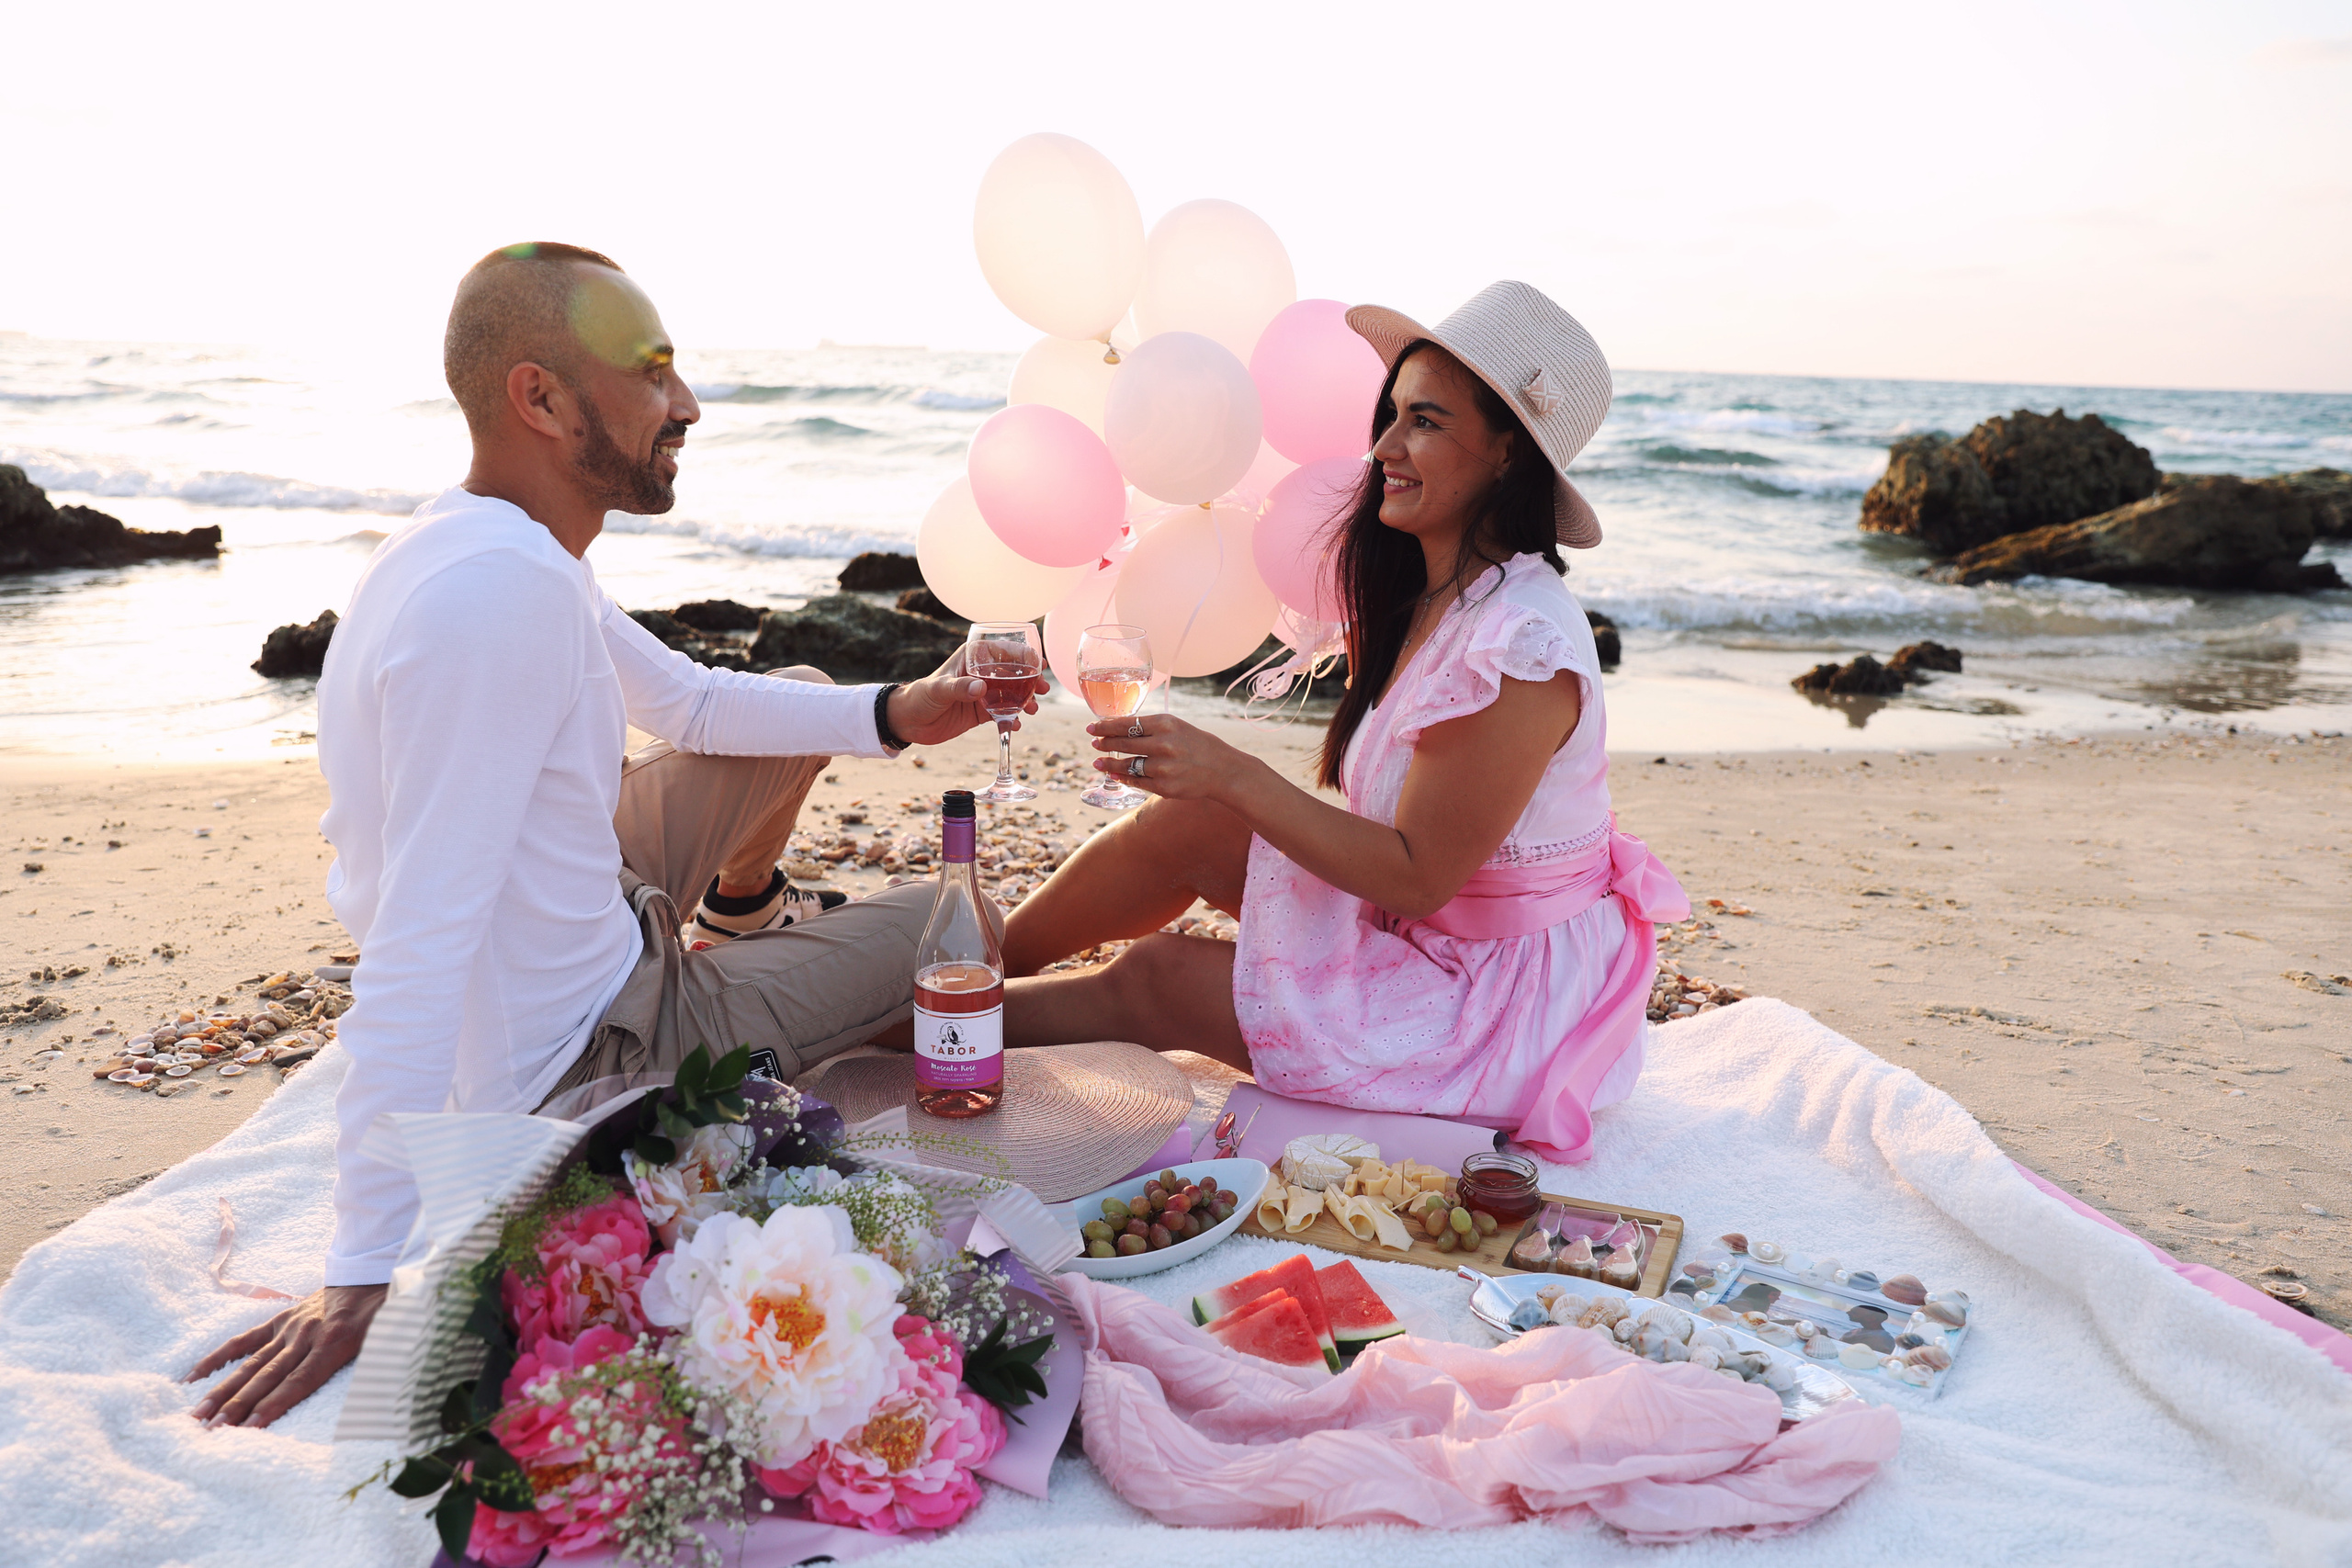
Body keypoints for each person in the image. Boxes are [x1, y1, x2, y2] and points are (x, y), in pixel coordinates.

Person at [187, 243, 1036, 1428]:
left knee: (786, 681)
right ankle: (745, 984)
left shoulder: (494, 540)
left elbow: (688, 702)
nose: (686, 405)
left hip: (594, 899)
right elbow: (420, 946)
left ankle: (744, 918)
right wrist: (361, 1270)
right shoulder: (498, 601)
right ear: (538, 397)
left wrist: (906, 709)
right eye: (652, 373)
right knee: (968, 926)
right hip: (591, 1050)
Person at [1003, 281, 1688, 1159]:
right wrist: (1218, 791)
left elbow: (1416, 876)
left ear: (1508, 453)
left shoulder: (1521, 646)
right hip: (1425, 934)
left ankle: (915, 1022)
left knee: (1158, 977)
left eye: (1426, 422)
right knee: (1183, 823)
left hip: (1495, 1006)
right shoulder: (1442, 595)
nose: (1386, 446)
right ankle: (965, 961)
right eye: (1392, 414)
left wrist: (1234, 773)